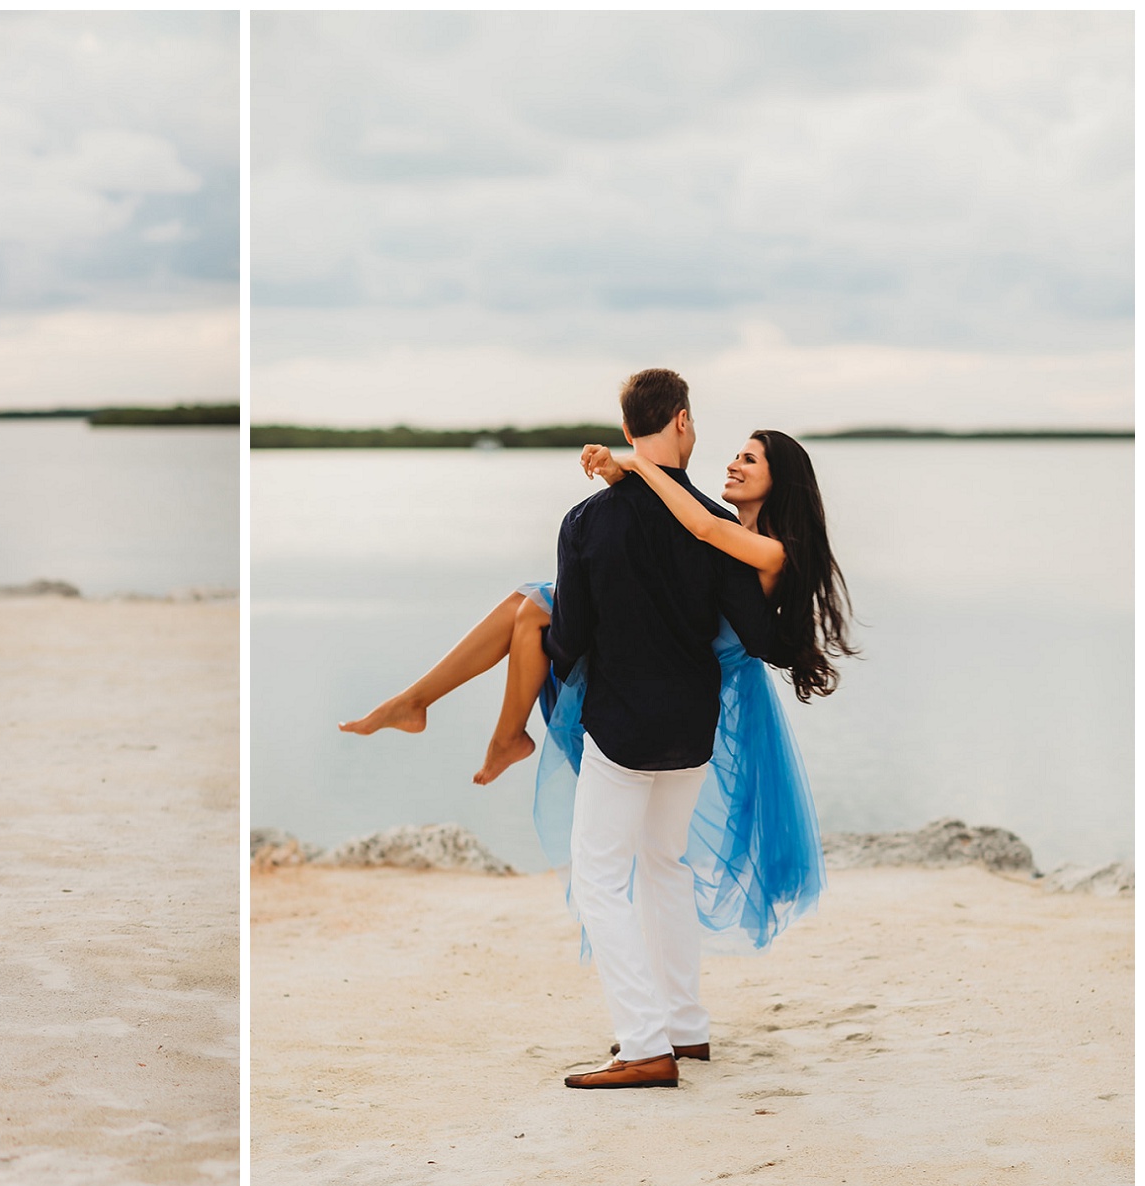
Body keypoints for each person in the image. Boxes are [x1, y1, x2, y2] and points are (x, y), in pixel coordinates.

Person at [344, 369, 853, 1087]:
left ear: (631, 427)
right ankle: (684, 1025)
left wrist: (623, 477)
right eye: (731, 448)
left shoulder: (620, 523)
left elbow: (581, 632)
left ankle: (645, 1042)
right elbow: (705, 544)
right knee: (664, 864)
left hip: (632, 719)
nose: (733, 461)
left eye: (751, 458)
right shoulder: (720, 533)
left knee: (600, 878)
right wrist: (634, 473)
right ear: (683, 421)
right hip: (695, 720)